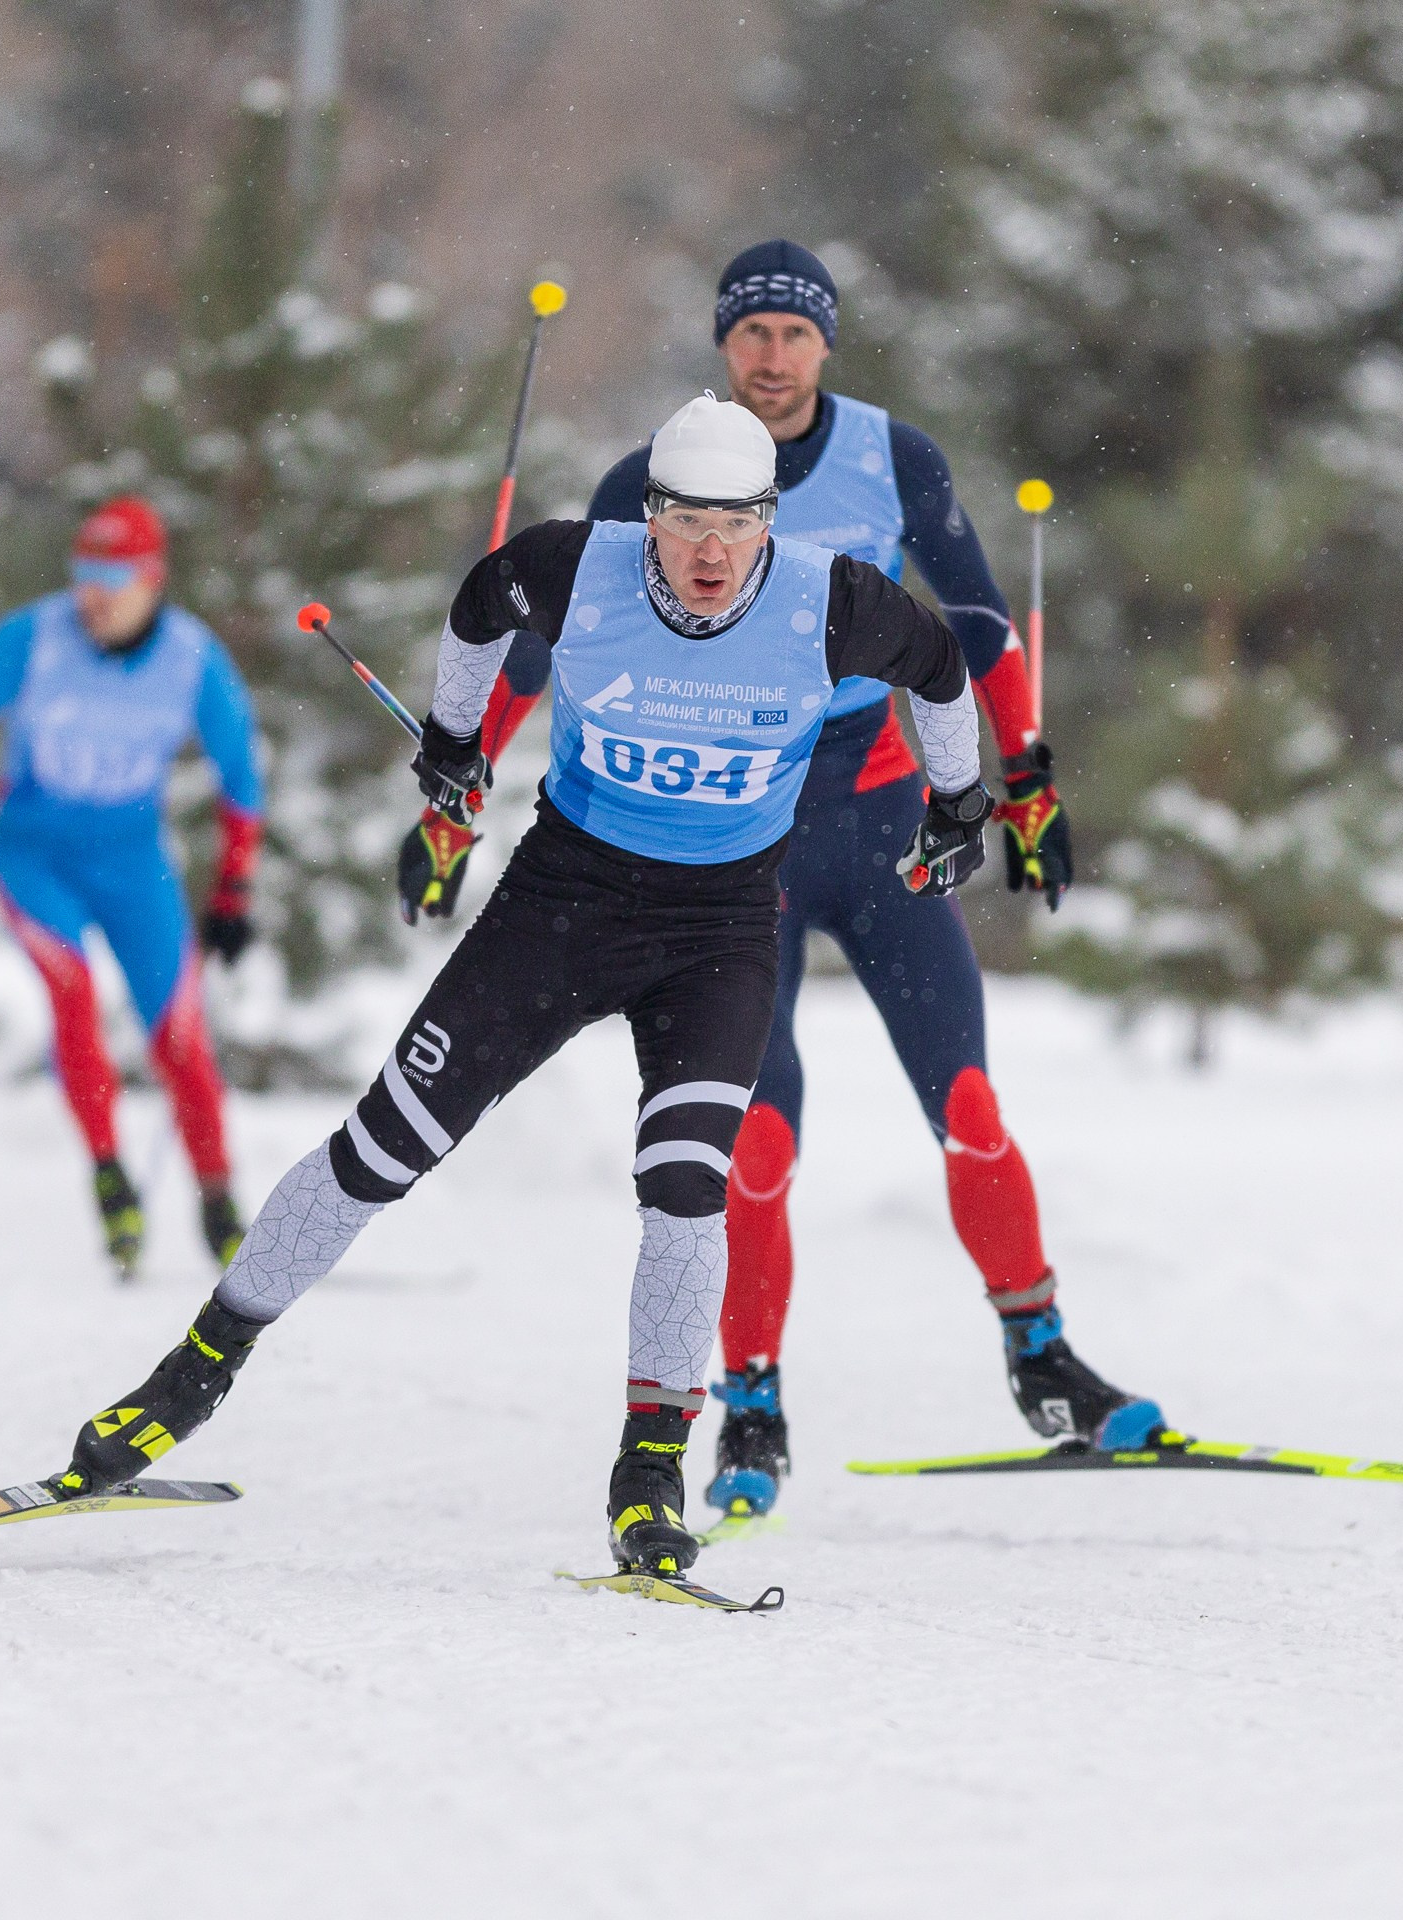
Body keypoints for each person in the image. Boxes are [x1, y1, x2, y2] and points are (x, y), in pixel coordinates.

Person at [52, 395, 992, 1580]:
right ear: (650, 516)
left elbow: (944, 667)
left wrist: (964, 805)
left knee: (686, 1189)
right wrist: (453, 741)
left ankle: (650, 1473)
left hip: (718, 930)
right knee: (381, 1148)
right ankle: (183, 1381)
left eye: (736, 523)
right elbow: (480, 601)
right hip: (562, 908)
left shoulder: (833, 600)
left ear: (770, 522)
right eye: (686, 519)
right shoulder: (574, 568)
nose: (709, 550)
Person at [401, 241, 1169, 1522]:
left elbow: (972, 624)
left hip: (874, 823)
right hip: (734, 851)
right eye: (749, 333)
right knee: (753, 1140)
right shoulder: (655, 479)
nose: (770, 356)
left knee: (968, 1100)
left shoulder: (894, 458)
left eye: (793, 334)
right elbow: (548, 638)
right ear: (722, 347)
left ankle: (1041, 1357)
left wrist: (1020, 778)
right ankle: (749, 1396)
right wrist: (462, 775)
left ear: (825, 348)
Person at [0, 495, 262, 1280]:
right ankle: (110, 1177)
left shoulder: (191, 661)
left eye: (113, 576)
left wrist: (235, 890)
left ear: (153, 578)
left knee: (179, 1033)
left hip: (133, 861)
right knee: (73, 993)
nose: (92, 594)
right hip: (34, 855)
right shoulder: (36, 638)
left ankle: (219, 1201)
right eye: (83, 573)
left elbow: (242, 778)